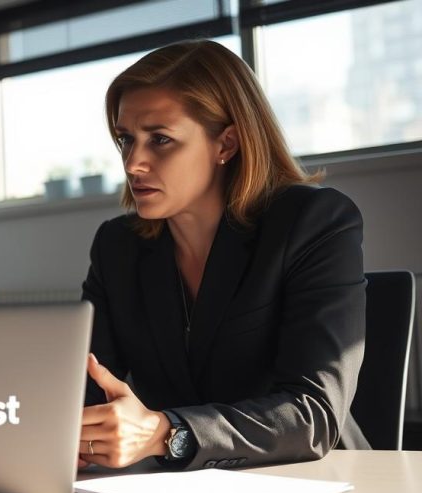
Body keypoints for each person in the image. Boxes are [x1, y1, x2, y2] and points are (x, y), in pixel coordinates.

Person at [77, 40, 369, 471]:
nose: (133, 162)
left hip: (314, 481)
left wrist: (166, 432)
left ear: (226, 144)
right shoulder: (116, 247)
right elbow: (83, 390)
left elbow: (313, 415)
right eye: (126, 139)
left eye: (160, 139)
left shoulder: (314, 222)